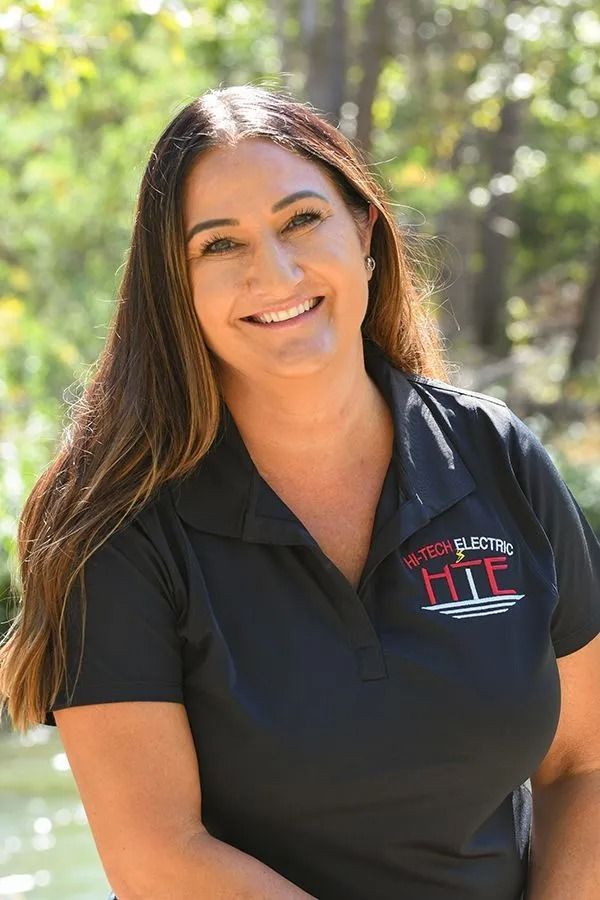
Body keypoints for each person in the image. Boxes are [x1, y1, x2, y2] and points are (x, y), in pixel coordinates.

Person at [1, 84, 599, 900]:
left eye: (301, 221)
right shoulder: (116, 525)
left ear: (363, 229)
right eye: (220, 245)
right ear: (176, 285)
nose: (273, 272)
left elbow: (584, 762)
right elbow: (158, 857)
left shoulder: (496, 458)